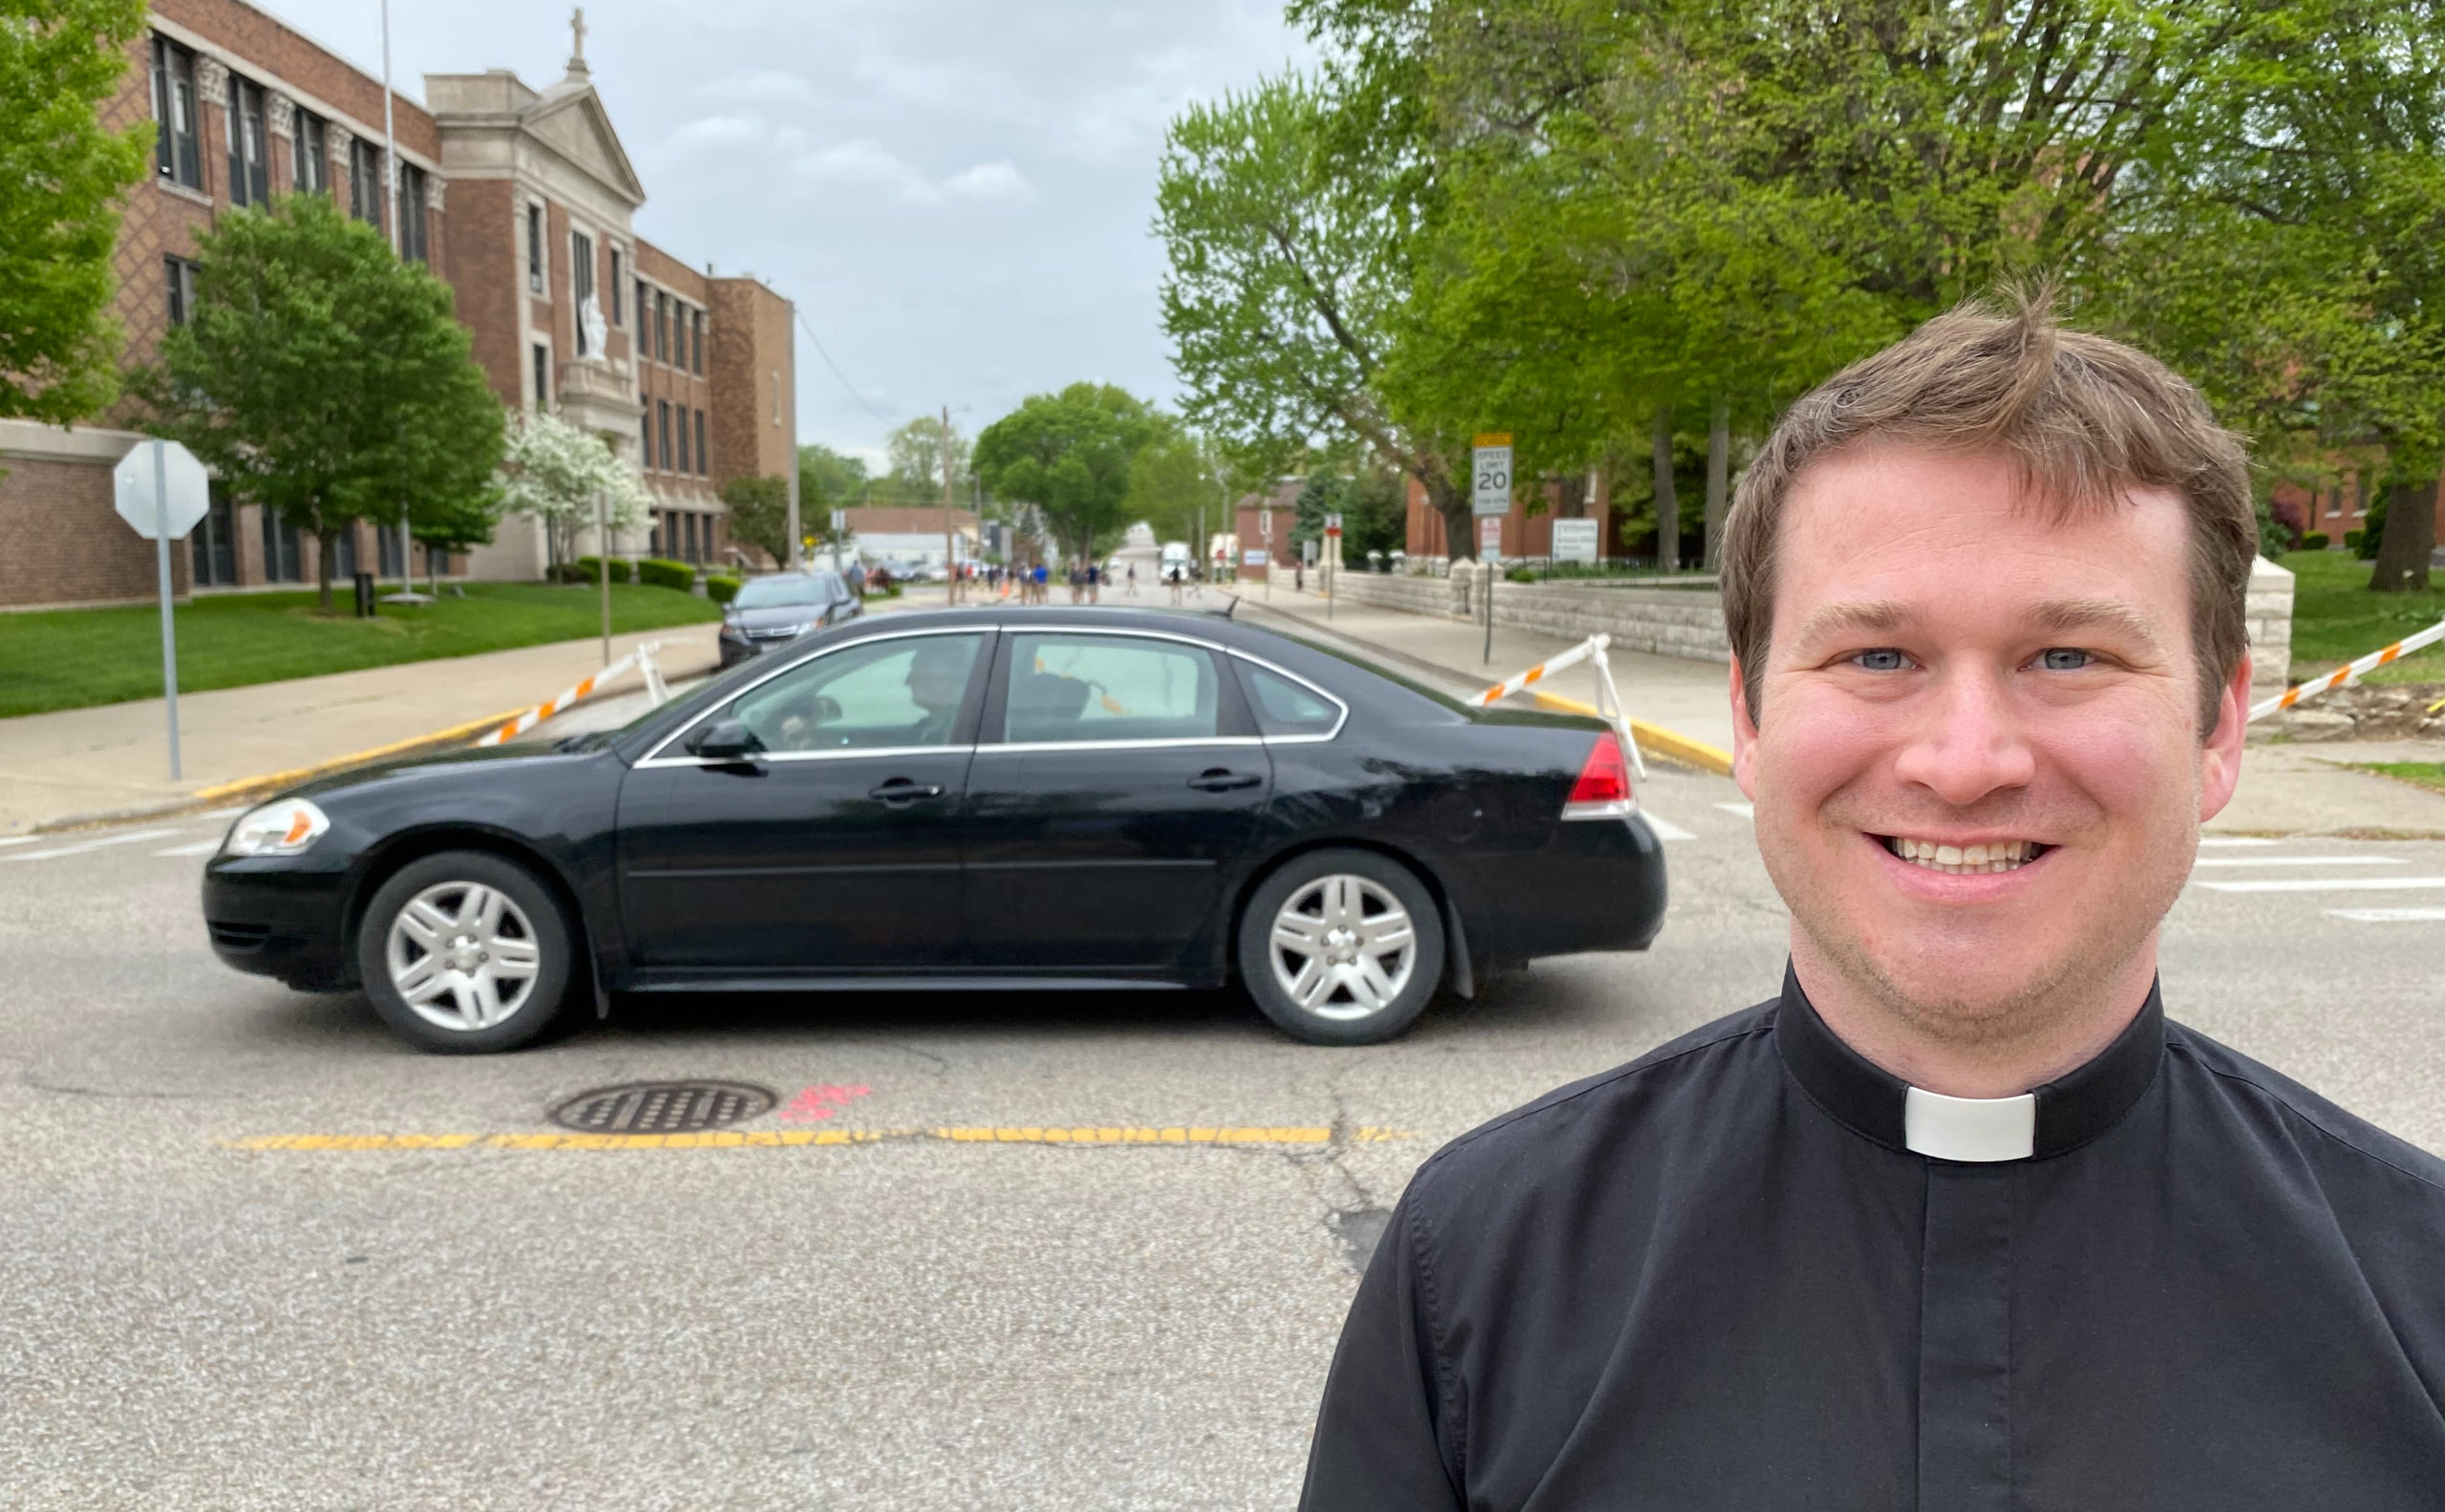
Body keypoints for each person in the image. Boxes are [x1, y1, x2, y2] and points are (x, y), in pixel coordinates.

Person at [1299, 294, 2445, 1510]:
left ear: (2216, 726)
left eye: (2068, 657)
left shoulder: (2419, 1293)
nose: (1965, 761)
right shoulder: (1480, 1267)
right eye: (1877, 657)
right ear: (1748, 717)